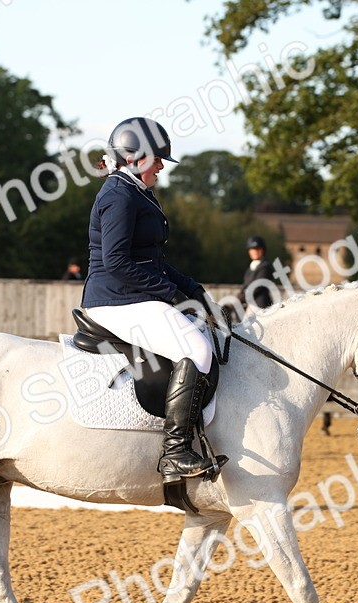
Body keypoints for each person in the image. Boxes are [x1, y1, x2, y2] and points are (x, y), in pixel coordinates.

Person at [81, 117, 221, 485]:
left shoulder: (137, 193)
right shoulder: (118, 195)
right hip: (116, 299)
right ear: (135, 158)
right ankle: (175, 451)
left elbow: (154, 261)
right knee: (197, 348)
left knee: (202, 338)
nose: (161, 165)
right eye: (157, 158)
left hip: (133, 295)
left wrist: (195, 290)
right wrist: (173, 296)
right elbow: (117, 262)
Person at [236, 235, 281, 310]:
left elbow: (258, 286)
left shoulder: (266, 266)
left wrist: (243, 297)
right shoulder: (250, 268)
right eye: (252, 249)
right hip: (249, 304)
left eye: (257, 249)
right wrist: (239, 296)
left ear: (262, 250)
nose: (255, 252)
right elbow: (245, 285)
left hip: (260, 304)